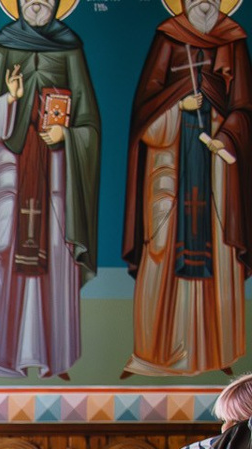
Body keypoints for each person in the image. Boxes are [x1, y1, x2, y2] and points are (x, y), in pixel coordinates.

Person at [0, 0, 100, 380]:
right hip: (10, 171)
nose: (35, 2)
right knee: (1, 253)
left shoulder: (70, 47)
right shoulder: (2, 44)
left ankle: (53, 356)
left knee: (55, 255)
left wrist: (67, 135)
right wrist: (8, 100)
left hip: (55, 173)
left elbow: (90, 123)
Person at [123, 0, 252, 379]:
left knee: (220, 250)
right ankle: (157, 352)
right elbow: (144, 112)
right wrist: (177, 106)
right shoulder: (167, 38)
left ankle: (218, 351)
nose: (203, 2)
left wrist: (226, 136)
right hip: (169, 164)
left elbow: (245, 109)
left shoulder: (233, 40)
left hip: (216, 169)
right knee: (162, 247)